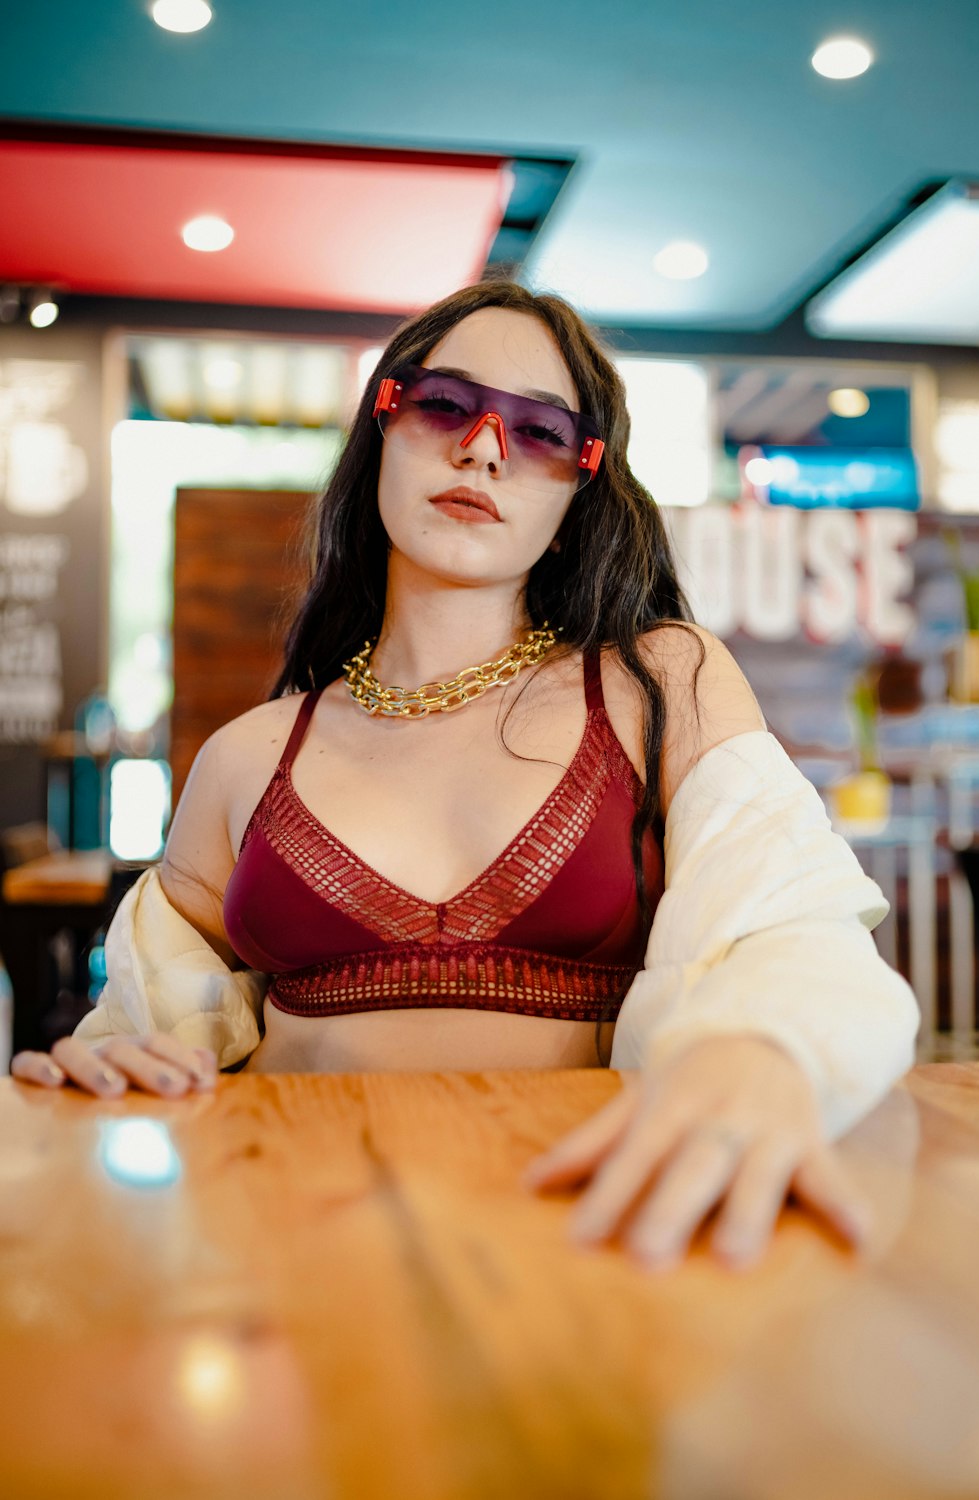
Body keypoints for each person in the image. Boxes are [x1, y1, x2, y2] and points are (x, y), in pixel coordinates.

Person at [11, 279, 919, 1270]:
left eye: (538, 433)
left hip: (594, 1242)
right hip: (289, 1252)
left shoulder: (660, 682)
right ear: (382, 436)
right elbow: (144, 1019)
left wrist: (762, 1053)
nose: (482, 446)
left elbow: (794, 928)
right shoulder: (246, 755)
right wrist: (118, 1061)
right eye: (446, 403)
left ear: (577, 494)